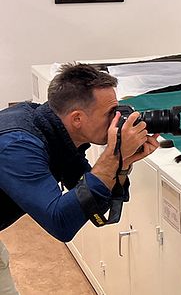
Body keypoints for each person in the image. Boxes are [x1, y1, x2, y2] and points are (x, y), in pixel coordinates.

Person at [0, 64, 159, 293]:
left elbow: (88, 193)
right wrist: (112, 157)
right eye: (110, 113)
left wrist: (122, 162)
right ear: (77, 119)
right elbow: (60, 222)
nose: (117, 120)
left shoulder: (55, 129)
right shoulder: (18, 145)